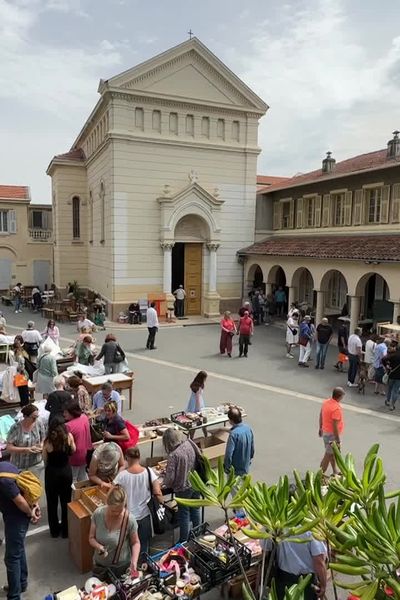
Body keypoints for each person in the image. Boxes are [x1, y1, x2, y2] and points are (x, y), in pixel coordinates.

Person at [0, 460, 41, 599]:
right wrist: (35, 505)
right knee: (18, 549)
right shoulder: (6, 465)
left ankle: (14, 595)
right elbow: (24, 486)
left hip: (16, 518)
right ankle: (21, 583)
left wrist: (30, 513)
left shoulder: (3, 481)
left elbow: (20, 501)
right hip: (16, 515)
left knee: (12, 558)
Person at [114, 446, 163, 557]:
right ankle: (143, 564)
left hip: (128, 516)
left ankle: (131, 565)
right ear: (139, 457)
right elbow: (157, 492)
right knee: (143, 543)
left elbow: (113, 493)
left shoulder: (122, 476)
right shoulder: (149, 472)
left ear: (127, 458)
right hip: (145, 514)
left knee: (129, 544)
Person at [89, 485, 140, 580]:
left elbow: (135, 542)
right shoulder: (98, 514)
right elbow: (91, 538)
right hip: (100, 566)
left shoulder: (129, 520)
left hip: (120, 568)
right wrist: (99, 547)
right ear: (107, 503)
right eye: (113, 511)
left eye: (120, 510)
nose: (116, 513)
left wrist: (134, 561)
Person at [163, 428, 200, 542]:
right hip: (196, 482)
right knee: (195, 509)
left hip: (182, 488)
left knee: (184, 514)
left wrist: (164, 477)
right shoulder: (189, 443)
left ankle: (184, 539)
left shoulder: (174, 455)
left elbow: (169, 480)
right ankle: (197, 533)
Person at [42, 415, 75, 538]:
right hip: (65, 471)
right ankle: (66, 531)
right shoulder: (68, 437)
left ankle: (54, 531)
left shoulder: (48, 442)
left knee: (52, 502)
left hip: (52, 473)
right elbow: (73, 450)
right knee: (66, 501)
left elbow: (45, 460)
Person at [270, 532, 327, 600]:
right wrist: (323, 585)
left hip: (284, 579)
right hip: (306, 582)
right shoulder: (311, 529)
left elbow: (266, 546)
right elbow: (319, 561)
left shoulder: (277, 527)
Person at [6, 404, 45, 472]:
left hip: (36, 464)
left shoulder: (39, 424)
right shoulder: (16, 428)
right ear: (25, 416)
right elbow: (9, 448)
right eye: (33, 418)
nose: (35, 420)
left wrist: (41, 445)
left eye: (37, 417)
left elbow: (44, 439)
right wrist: (26, 449)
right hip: (19, 465)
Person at [64, 399, 92, 481]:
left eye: (66, 412)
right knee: (83, 476)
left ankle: (74, 494)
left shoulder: (68, 426)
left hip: (74, 456)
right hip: (86, 452)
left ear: (72, 412)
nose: (64, 414)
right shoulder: (84, 417)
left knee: (72, 479)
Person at [319, 387, 345, 475]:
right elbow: (335, 426)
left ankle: (334, 470)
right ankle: (320, 474)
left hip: (325, 432)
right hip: (332, 435)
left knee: (332, 454)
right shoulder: (336, 409)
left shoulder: (326, 403)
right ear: (339, 396)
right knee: (328, 455)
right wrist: (338, 440)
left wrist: (320, 427)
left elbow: (321, 414)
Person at [224, 406, 254, 476]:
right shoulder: (248, 429)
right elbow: (252, 449)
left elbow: (229, 454)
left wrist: (227, 468)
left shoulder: (233, 434)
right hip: (245, 467)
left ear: (231, 420)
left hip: (235, 471)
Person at [382, 344, 400, 410]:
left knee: (389, 388)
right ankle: (392, 405)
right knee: (395, 391)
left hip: (391, 374)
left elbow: (383, 359)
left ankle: (387, 400)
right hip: (399, 377)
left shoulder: (393, 355)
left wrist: (386, 366)